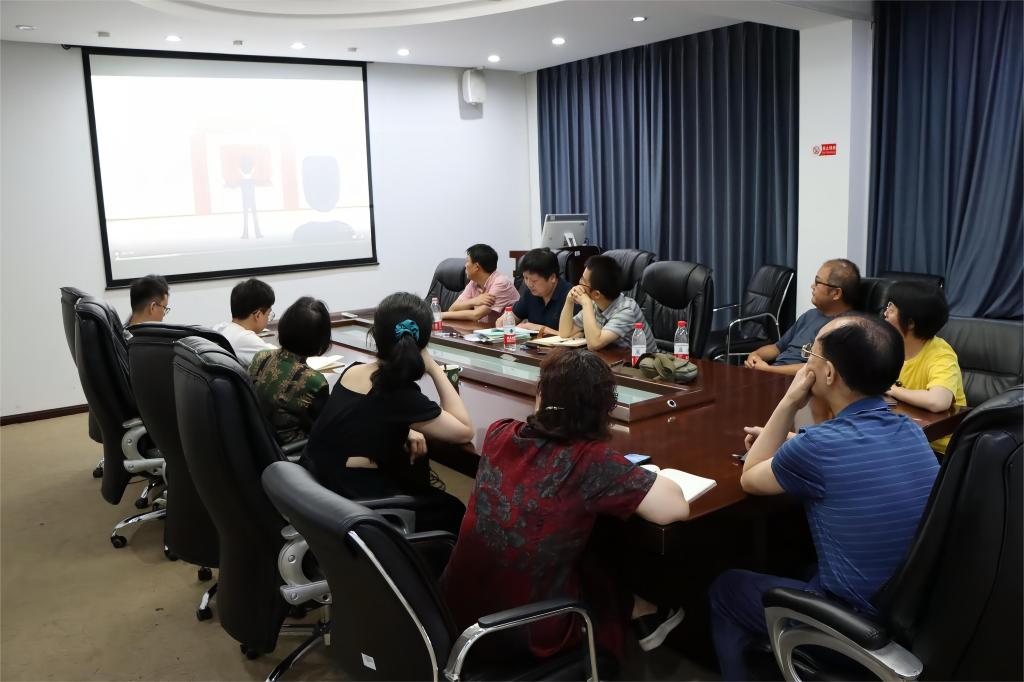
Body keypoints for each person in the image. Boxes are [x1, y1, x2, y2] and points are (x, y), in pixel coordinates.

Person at [709, 315, 940, 681]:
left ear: (828, 373)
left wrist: (790, 401)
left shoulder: (817, 447)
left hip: (858, 629)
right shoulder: (911, 431)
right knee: (797, 562)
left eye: (810, 354)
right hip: (917, 614)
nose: (806, 362)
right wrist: (790, 443)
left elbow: (750, 477)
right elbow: (847, 451)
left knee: (726, 589)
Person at [442, 348, 690, 660]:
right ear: (605, 410)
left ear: (541, 394)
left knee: (581, 542)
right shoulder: (591, 460)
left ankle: (639, 610)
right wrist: (642, 475)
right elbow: (675, 507)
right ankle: (637, 613)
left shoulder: (499, 432)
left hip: (453, 612)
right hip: (519, 634)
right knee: (601, 556)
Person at [305, 292, 474, 533]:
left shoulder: (353, 370)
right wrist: (434, 367)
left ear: (375, 335)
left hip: (318, 490)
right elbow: (464, 431)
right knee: (454, 509)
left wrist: (409, 427)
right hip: (353, 503)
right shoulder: (398, 393)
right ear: (422, 344)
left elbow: (366, 416)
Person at [883, 282, 966, 454]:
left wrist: (893, 390)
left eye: (892, 308)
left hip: (938, 450)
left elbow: (938, 401)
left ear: (910, 323)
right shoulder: (889, 345)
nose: (885, 313)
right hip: (902, 438)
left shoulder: (941, 354)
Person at [744, 259, 860, 375]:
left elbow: (819, 369)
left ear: (836, 293)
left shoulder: (847, 328)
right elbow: (777, 348)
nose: (812, 286)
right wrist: (755, 355)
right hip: (772, 373)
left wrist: (769, 370)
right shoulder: (810, 315)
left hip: (795, 381)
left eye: (817, 282)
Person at [248, 297, 330, 445]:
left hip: (253, 440)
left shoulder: (261, 357)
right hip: (291, 450)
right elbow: (322, 427)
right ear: (320, 338)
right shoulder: (315, 381)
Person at [558, 255, 656, 353]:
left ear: (596, 294)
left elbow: (594, 344)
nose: (579, 284)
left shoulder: (627, 310)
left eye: (583, 281)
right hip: (613, 358)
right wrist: (569, 301)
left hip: (642, 362)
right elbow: (565, 332)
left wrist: (586, 303)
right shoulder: (595, 304)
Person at [442, 244, 519, 322]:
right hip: (485, 328)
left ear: (476, 267)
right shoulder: (473, 282)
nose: (465, 265)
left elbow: (476, 315)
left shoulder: (501, 283)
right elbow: (453, 308)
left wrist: (440, 315)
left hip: (508, 329)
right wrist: (474, 301)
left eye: (467, 261)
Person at [213, 278, 277, 367]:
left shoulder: (220, 327)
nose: (268, 319)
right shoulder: (245, 338)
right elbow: (279, 361)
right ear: (258, 315)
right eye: (268, 314)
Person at [512, 248, 572, 335]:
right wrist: (505, 320)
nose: (529, 284)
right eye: (525, 278)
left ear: (552, 278)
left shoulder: (571, 296)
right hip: (533, 343)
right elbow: (514, 316)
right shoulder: (530, 292)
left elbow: (573, 336)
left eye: (534, 281)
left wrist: (538, 328)